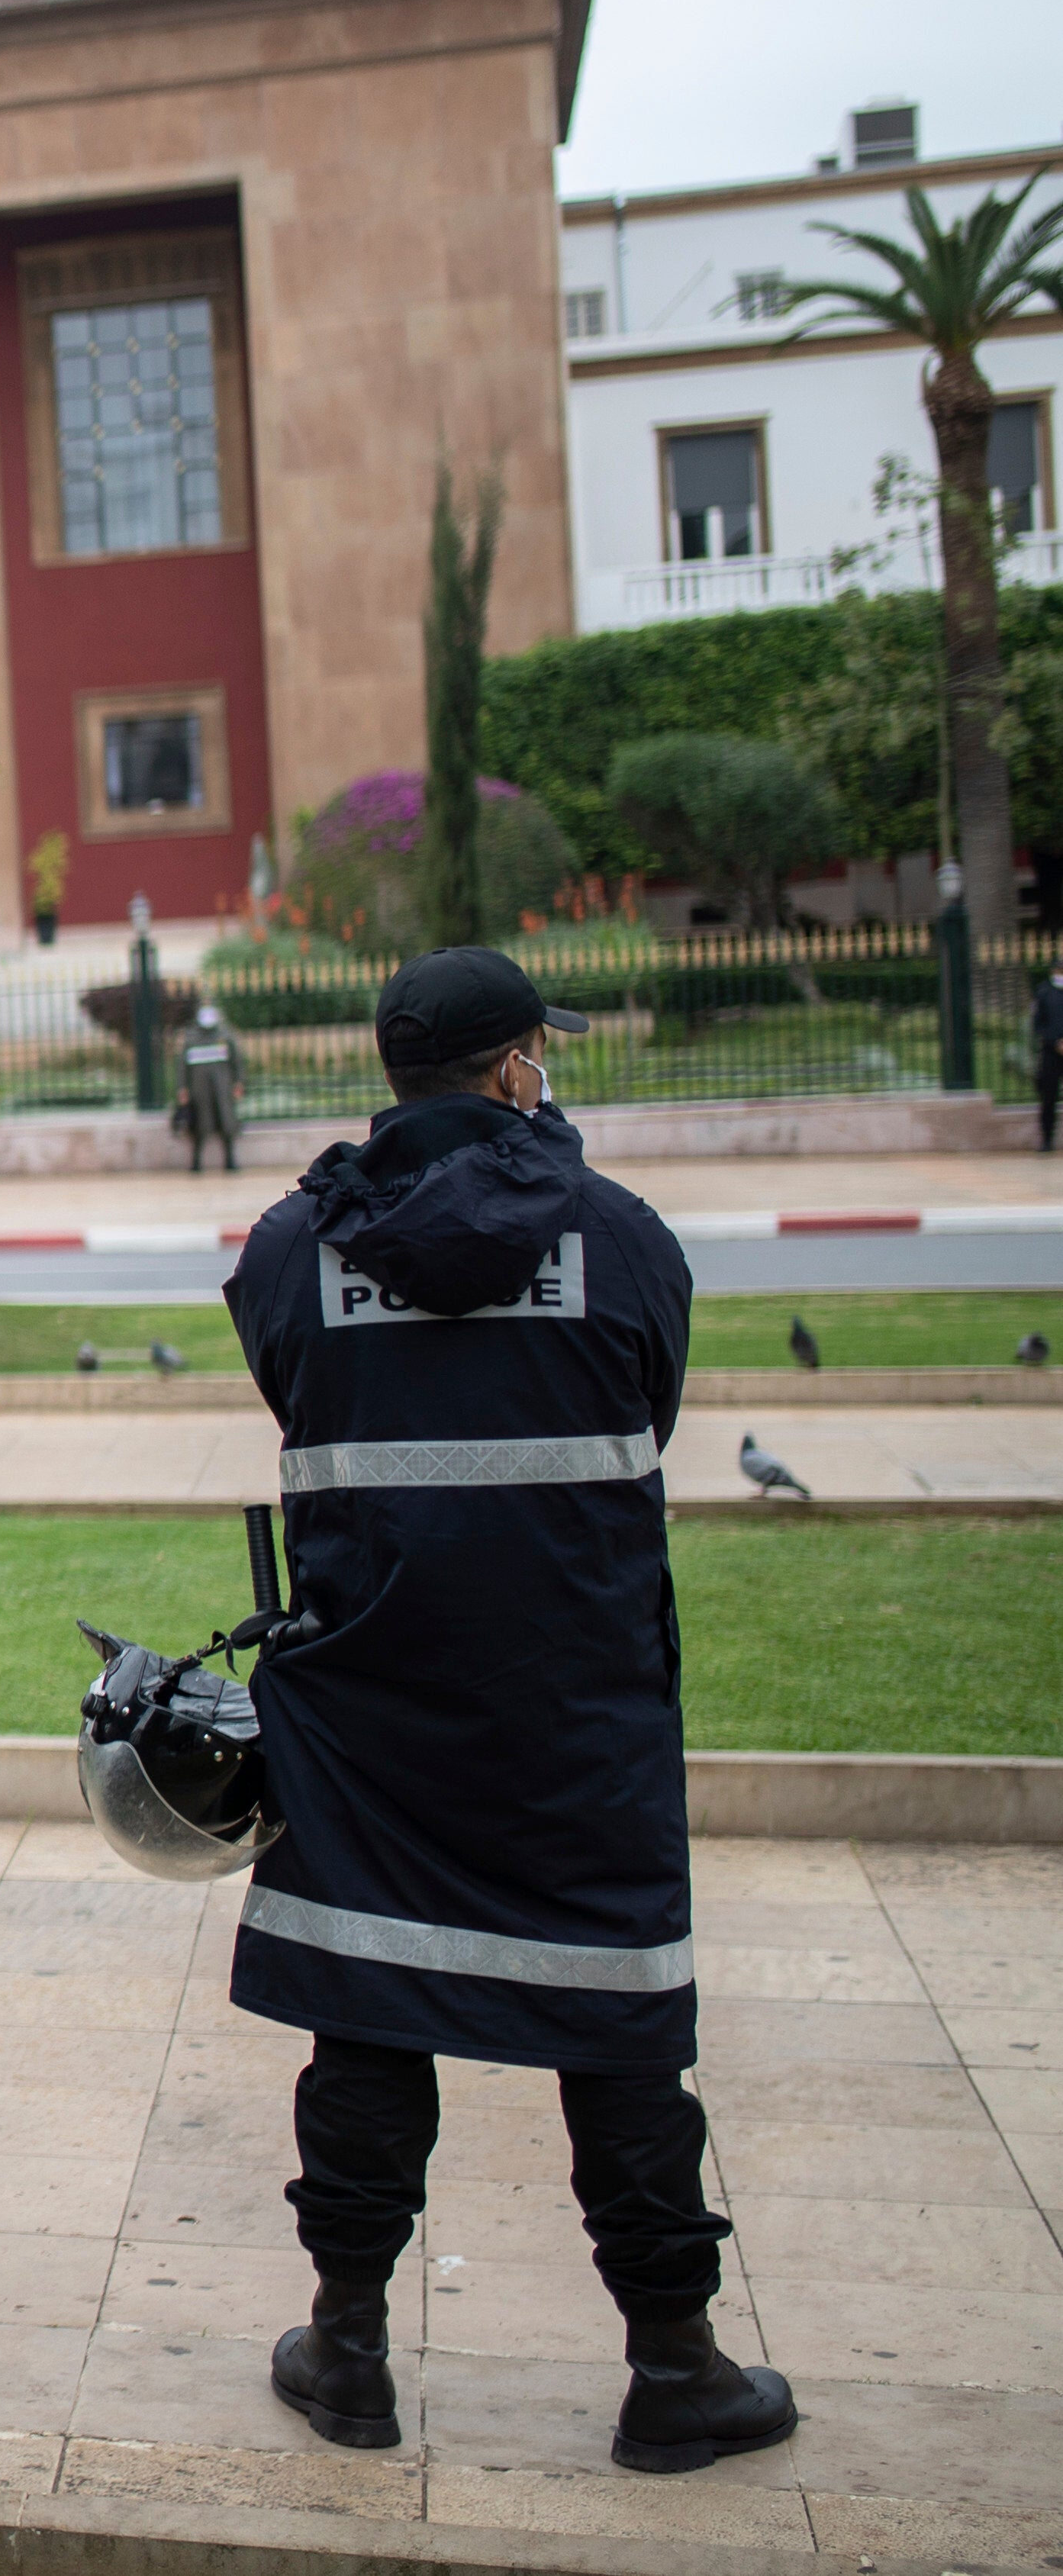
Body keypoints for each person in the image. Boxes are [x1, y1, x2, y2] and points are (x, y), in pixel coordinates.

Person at [225, 946, 792, 2475]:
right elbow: (647, 1407)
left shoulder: (292, 1249)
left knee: (368, 2009)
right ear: (508, 1067)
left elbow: (296, 1390)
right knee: (614, 2035)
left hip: (370, 1714)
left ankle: (346, 2349)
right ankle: (671, 2365)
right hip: (573, 1719)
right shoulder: (621, 1240)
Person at [177, 1000, 243, 1173]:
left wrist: (238, 1083)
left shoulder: (225, 1036)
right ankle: (196, 1162)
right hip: (199, 1090)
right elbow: (182, 1066)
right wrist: (182, 1088)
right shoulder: (191, 1039)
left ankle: (230, 1160)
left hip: (223, 1088)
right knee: (200, 1125)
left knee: (227, 1123)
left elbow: (237, 1062)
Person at [1030, 961, 1061, 1154]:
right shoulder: (1044, 992)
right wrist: (1056, 1042)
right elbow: (1038, 1024)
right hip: (1051, 1053)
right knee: (1048, 1097)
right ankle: (1047, 1139)